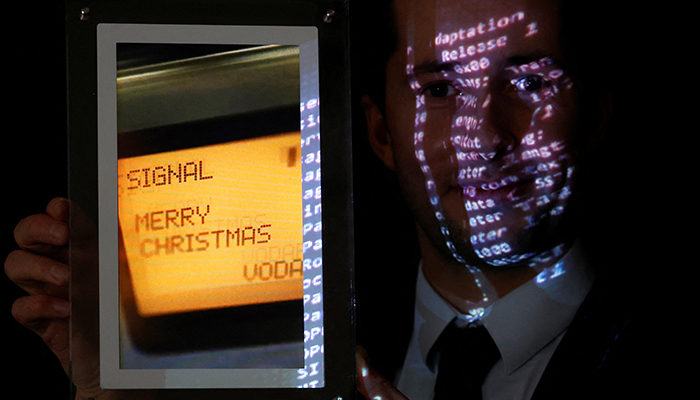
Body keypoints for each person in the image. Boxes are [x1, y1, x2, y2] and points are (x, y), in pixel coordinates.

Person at [4, 0, 684, 399]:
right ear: (381, 133)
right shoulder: (282, 360)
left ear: (596, 115)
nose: (482, 138)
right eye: (440, 91)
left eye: (530, 82)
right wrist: (117, 387)